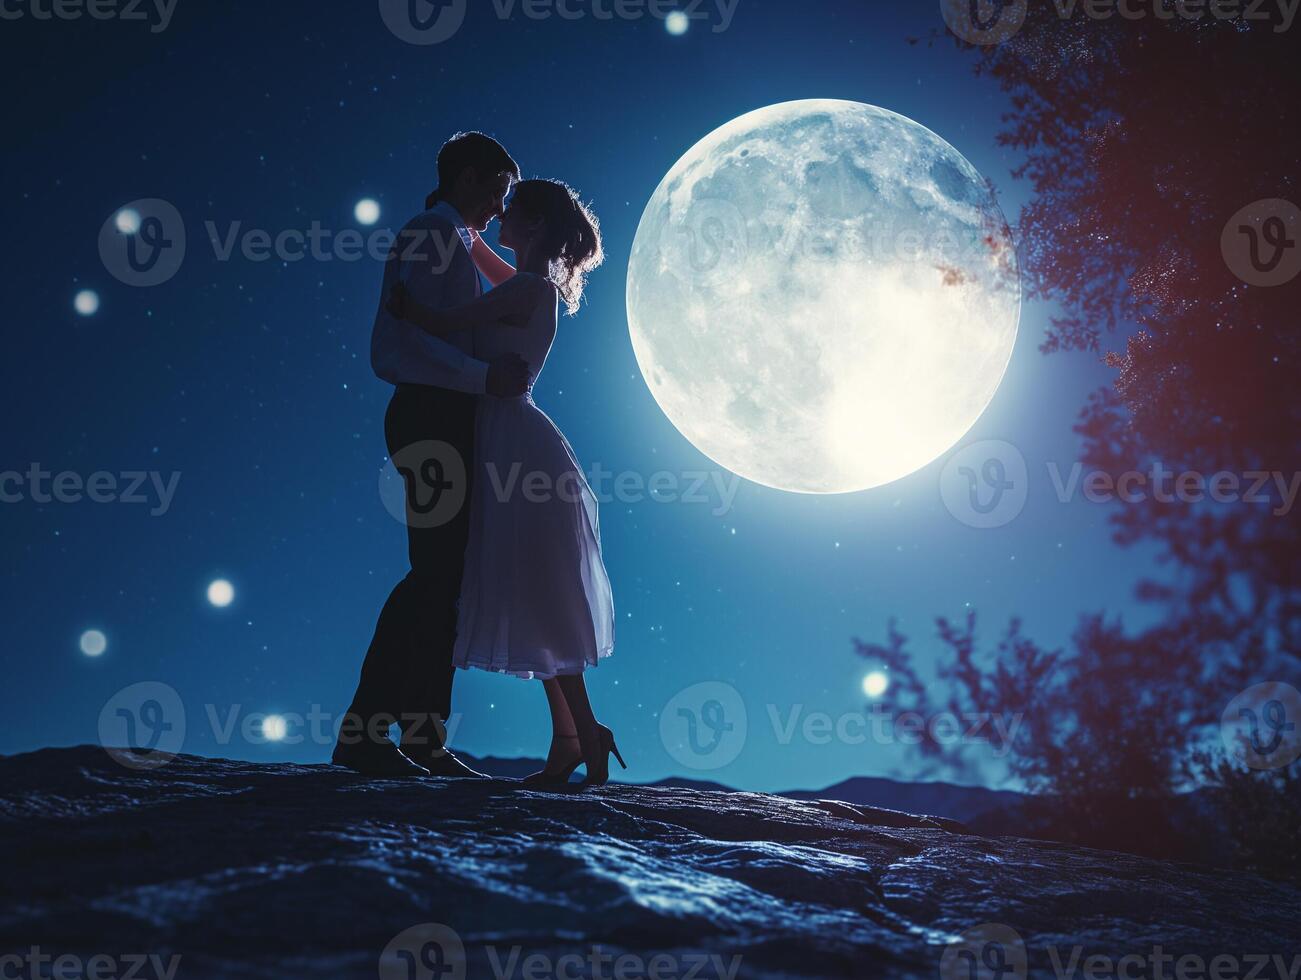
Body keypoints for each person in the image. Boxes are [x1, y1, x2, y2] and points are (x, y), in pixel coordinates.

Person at [386, 177, 622, 786]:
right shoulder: (528, 284)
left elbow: (446, 321)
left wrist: (408, 307)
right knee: (535, 592)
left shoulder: (523, 288)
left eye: (510, 211)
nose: (499, 218)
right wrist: (455, 223)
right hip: (510, 443)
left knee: (537, 593)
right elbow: (478, 253)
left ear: (536, 226)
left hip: (510, 448)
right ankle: (573, 738)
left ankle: (585, 734)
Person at [333, 132, 528, 778]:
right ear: (471, 178)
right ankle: (370, 734)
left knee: (445, 575)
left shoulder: (460, 243)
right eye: (499, 192)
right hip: (428, 414)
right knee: (434, 571)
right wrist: (480, 379)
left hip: (448, 419)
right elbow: (403, 337)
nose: (501, 210)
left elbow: (529, 284)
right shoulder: (430, 232)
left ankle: (418, 736)